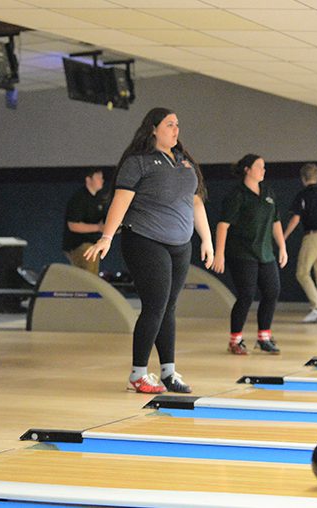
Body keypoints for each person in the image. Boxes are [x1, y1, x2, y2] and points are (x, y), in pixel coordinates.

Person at [85, 108, 214, 394]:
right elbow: (120, 201)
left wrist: (207, 239)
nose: (176, 129)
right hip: (144, 240)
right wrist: (107, 236)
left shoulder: (185, 162)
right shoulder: (138, 162)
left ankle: (168, 371)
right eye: (170, 124)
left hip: (180, 244)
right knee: (155, 305)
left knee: (169, 307)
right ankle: (138, 374)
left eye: (178, 124)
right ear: (153, 129)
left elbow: (195, 203)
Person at [213, 154, 288, 355]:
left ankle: (264, 337)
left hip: (265, 253)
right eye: (259, 166)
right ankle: (235, 340)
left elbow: (276, 222)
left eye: (264, 167)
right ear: (247, 169)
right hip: (241, 253)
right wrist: (219, 254)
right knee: (246, 295)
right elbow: (223, 225)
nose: (263, 170)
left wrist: (282, 247)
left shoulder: (268, 193)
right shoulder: (237, 195)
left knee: (272, 291)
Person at [283, 163, 317, 323]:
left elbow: (296, 219)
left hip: (312, 236)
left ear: (303, 178)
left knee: (302, 272)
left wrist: (283, 236)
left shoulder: (303, 195)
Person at [62, 168, 107, 274]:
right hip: (77, 244)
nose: (102, 180)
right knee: (89, 266)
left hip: (92, 242)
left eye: (102, 177)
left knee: (93, 270)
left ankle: (91, 289)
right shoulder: (79, 199)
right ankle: (88, 290)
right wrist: (98, 227)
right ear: (88, 179)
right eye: (98, 177)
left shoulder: (99, 198)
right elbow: (73, 225)